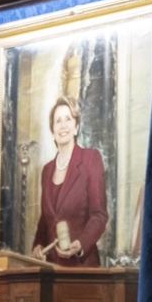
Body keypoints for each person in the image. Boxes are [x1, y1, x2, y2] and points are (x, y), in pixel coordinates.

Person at [31, 96, 109, 267]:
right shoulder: (47, 171)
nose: (63, 125)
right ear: (52, 131)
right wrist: (38, 246)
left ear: (76, 127)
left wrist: (80, 244)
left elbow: (99, 215)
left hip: (82, 268)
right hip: (51, 270)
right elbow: (46, 220)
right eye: (58, 121)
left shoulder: (90, 159)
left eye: (68, 119)